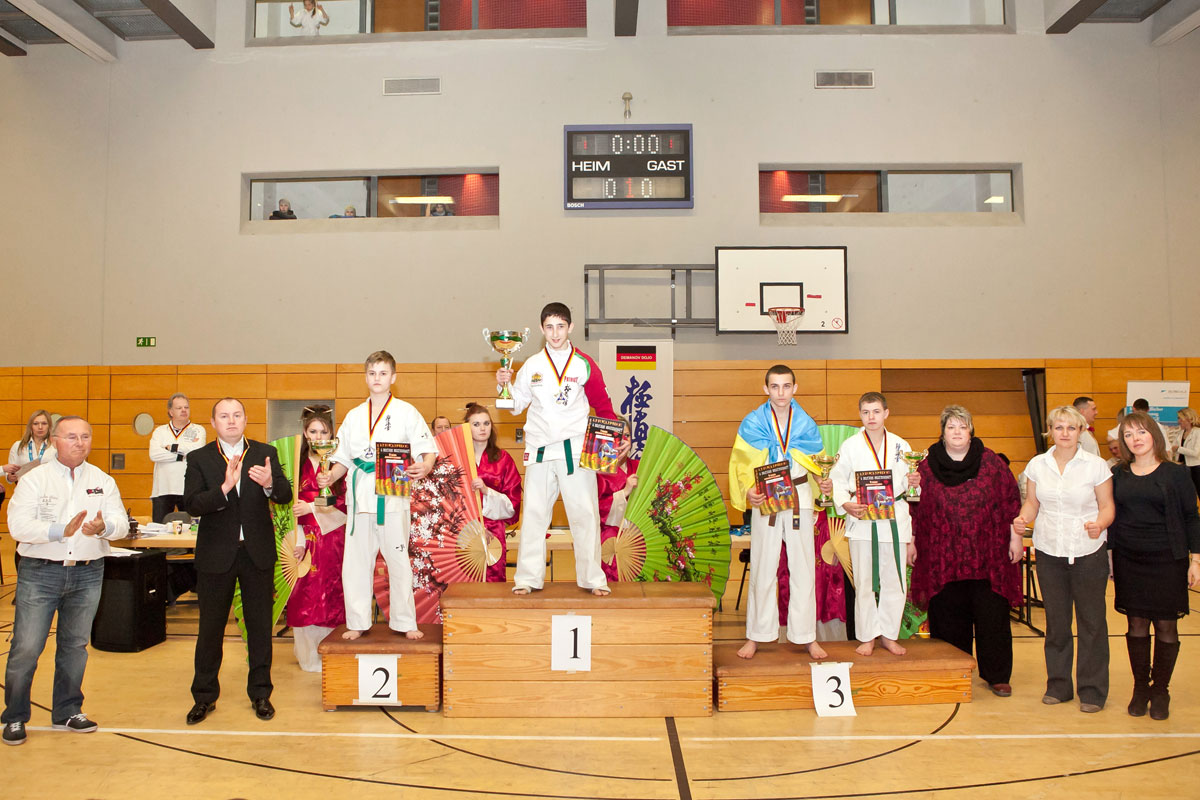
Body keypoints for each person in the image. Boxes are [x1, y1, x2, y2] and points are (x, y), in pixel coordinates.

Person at [2, 416, 128, 746]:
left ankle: (68, 710)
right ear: (56, 441)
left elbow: (121, 523)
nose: (79, 442)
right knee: (27, 647)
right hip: (40, 571)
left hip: (88, 572)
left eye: (85, 436)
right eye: (72, 436)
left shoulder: (102, 480)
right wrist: (60, 531)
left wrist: (103, 527)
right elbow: (18, 526)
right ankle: (15, 716)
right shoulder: (34, 480)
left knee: (74, 646)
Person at [495, 302, 621, 596]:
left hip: (575, 450)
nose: (555, 333)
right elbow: (515, 406)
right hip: (539, 449)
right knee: (534, 517)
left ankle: (593, 579)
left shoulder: (584, 364)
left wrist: (614, 441)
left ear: (570, 327)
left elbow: (603, 406)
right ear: (542, 329)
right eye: (550, 327)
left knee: (585, 516)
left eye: (560, 327)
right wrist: (503, 385)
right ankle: (528, 578)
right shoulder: (532, 365)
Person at [184, 398, 291, 725]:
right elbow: (192, 504)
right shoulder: (199, 458)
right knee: (210, 629)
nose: (231, 421)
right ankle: (204, 697)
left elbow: (284, 495)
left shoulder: (264, 453)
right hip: (216, 555)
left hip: (256, 553)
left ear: (245, 419)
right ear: (213, 422)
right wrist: (225, 488)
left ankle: (261, 693)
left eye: (237, 415)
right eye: (224, 416)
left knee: (260, 628)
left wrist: (269, 483)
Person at [319, 351, 436, 640]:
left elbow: (427, 449)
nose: (377, 379)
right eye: (372, 373)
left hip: (393, 491)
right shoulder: (354, 415)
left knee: (398, 561)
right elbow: (342, 459)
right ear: (366, 377)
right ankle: (357, 622)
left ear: (393, 377)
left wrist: (425, 466)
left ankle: (405, 621)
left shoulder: (407, 412)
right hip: (360, 495)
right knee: (357, 562)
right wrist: (330, 477)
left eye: (383, 373)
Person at [910, 405, 1022, 696]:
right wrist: (911, 540)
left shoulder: (992, 463)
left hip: (988, 556)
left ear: (971, 430)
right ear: (943, 432)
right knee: (948, 617)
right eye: (951, 427)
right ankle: (952, 669)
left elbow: (1011, 501)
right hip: (942, 556)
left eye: (962, 426)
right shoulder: (924, 467)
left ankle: (997, 675)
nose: (957, 432)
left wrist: (1016, 538)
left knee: (991, 617)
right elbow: (914, 508)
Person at [1013, 405, 1115, 712]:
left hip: (1087, 551)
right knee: (1056, 623)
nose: (1065, 433)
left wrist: (1101, 524)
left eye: (1071, 427)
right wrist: (1022, 518)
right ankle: (1058, 685)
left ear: (1081, 431)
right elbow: (1032, 503)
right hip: (1049, 551)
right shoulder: (1037, 465)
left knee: (1092, 623)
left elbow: (1107, 506)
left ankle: (1093, 690)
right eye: (1059, 427)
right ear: (1051, 432)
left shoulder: (1096, 466)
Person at [728, 365, 830, 660]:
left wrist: (824, 480)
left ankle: (807, 637)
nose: (781, 392)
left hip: (799, 494)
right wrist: (748, 491)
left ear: (795, 388)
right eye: (775, 386)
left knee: (803, 568)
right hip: (767, 496)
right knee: (763, 567)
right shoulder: (753, 423)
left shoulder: (806, 424)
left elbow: (817, 462)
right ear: (766, 389)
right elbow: (740, 464)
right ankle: (756, 636)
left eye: (786, 386)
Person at [1109, 411, 1200, 720]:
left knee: (1166, 626)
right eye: (1128, 434)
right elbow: (1112, 515)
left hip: (1167, 560)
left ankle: (1161, 690)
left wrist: (1195, 560)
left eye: (1141, 432)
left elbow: (1192, 517)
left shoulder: (1176, 474)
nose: (1135, 439)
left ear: (1154, 435)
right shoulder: (1118, 474)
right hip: (1129, 558)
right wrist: (1110, 555)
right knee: (1135, 625)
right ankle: (1140, 688)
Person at [830, 392, 918, 656]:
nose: (871, 417)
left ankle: (889, 635)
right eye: (866, 412)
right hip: (862, 519)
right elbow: (836, 481)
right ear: (860, 414)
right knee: (864, 581)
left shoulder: (901, 445)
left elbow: (911, 486)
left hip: (894, 519)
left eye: (876, 411)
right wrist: (845, 504)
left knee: (895, 581)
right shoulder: (850, 446)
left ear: (886, 413)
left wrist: (915, 483)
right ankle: (867, 636)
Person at [285, 405, 347, 672]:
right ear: (304, 433)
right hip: (304, 539)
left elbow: (344, 501)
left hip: (334, 538)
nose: (318, 437)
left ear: (332, 435)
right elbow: (286, 505)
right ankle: (308, 655)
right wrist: (297, 540)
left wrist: (311, 507)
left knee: (333, 592)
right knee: (305, 595)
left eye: (324, 432)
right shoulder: (294, 465)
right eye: (313, 431)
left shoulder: (339, 466)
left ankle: (334, 652)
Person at [464, 403, 521, 582]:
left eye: (486, 423)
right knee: (465, 582)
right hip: (464, 529)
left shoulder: (504, 459)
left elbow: (513, 503)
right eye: (476, 424)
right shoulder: (459, 458)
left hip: (493, 530)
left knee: (493, 582)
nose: (482, 428)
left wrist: (486, 490)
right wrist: (475, 527)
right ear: (467, 428)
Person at [148, 393, 206, 522]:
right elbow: (154, 454)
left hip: (189, 488)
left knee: (191, 528)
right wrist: (181, 456)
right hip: (163, 489)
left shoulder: (198, 430)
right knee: (159, 528)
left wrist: (171, 447)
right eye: (179, 408)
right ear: (171, 412)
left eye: (186, 407)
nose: (184, 410)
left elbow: (197, 451)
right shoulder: (160, 431)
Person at [597, 417, 638, 583]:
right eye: (617, 437)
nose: (622, 441)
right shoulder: (599, 471)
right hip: (609, 537)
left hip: (638, 535)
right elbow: (597, 509)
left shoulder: (640, 466)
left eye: (626, 436)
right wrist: (625, 492)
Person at [4, 409, 56, 484]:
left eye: (44, 423)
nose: (40, 427)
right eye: (35, 424)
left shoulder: (55, 446)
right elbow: (9, 472)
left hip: (49, 487)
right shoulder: (18, 445)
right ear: (30, 426)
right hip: (24, 487)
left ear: (49, 426)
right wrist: (9, 477)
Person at [1175, 407, 1200, 498]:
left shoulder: (1198, 432)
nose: (1178, 421)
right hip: (1183, 467)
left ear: (1188, 419)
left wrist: (1179, 449)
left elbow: (1196, 453)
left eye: (1180, 418)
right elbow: (1173, 448)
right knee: (1186, 495)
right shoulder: (1180, 433)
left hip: (1196, 468)